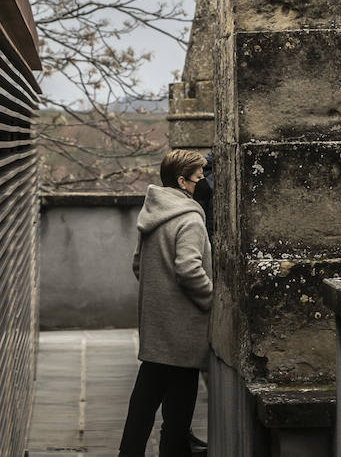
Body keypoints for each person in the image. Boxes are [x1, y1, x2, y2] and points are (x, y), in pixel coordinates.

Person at [118, 149, 212, 457]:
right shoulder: (189, 219)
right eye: (199, 178)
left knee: (143, 404)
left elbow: (138, 265)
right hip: (183, 330)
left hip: (156, 325)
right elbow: (189, 269)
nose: (203, 183)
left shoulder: (153, 214)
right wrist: (210, 300)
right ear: (182, 181)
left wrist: (160, 295)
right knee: (179, 411)